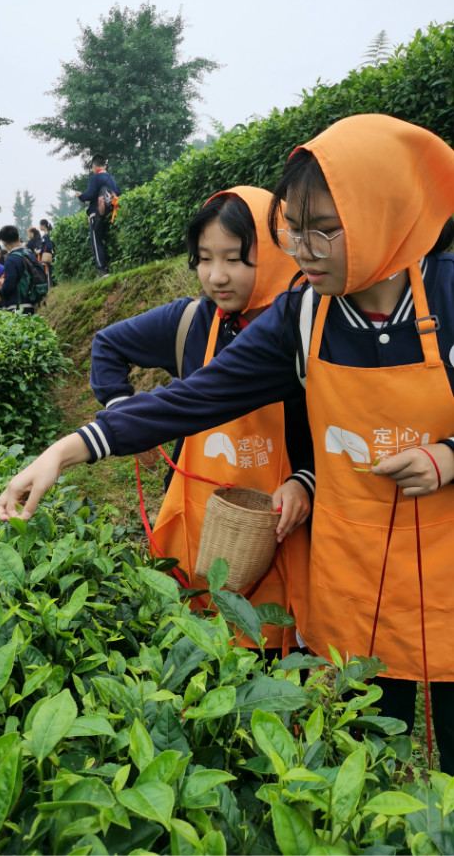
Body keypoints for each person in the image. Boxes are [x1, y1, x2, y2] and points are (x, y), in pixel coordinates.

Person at [0, 115, 454, 772]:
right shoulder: (300, 317)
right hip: (357, 588)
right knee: (366, 768)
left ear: (384, 214)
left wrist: (448, 455)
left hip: (449, 579)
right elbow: (192, 397)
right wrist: (66, 451)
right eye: (294, 227)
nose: (302, 248)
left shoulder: (449, 296)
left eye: (325, 227)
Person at [90, 186, 313, 654]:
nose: (216, 276)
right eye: (204, 258)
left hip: (280, 527)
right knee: (194, 641)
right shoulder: (190, 322)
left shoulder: (307, 327)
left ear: (274, 251)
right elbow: (107, 345)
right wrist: (118, 409)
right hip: (199, 515)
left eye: (235, 259)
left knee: (269, 653)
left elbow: (333, 424)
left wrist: (306, 479)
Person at [74, 153, 121, 278]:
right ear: (104, 165)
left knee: (96, 241)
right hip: (110, 213)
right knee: (106, 239)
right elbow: (119, 192)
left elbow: (89, 195)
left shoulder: (95, 179)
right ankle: (113, 266)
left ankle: (102, 270)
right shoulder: (111, 178)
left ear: (94, 166)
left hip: (96, 214)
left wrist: (80, 196)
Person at [0, 225, 34, 314]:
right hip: (31, 304)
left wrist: (0, 294)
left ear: (4, 242)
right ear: (18, 238)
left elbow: (10, 284)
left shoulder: (11, 259)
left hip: (17, 306)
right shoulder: (29, 254)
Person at [39, 219, 55, 288]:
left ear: (43, 225)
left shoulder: (47, 235)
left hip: (48, 255)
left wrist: (42, 251)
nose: (39, 227)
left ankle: (51, 287)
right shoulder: (47, 234)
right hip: (49, 254)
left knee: (49, 272)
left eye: (40, 225)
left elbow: (48, 246)